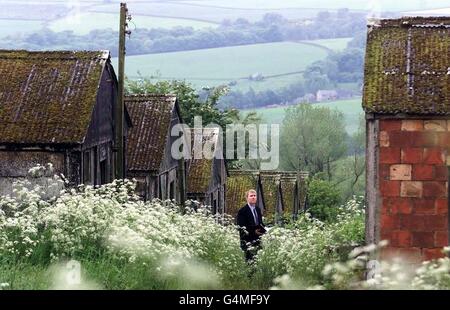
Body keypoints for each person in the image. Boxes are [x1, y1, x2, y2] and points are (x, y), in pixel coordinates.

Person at [236, 189, 266, 262]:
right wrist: (254, 231)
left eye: (254, 196)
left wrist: (264, 230)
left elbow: (260, 223)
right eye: (251, 196)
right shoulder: (242, 211)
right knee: (250, 262)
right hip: (247, 241)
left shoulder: (258, 209)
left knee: (258, 261)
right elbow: (241, 228)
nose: (253, 197)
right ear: (247, 198)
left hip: (258, 240)